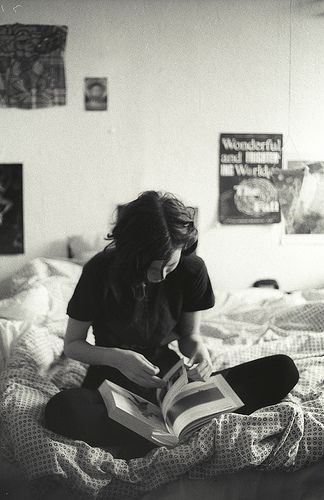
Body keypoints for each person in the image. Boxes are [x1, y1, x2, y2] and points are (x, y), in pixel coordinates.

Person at [44, 190, 299, 458]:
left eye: (170, 265)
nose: (160, 276)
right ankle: (178, 431)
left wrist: (200, 356)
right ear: (130, 253)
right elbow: (73, 345)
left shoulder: (192, 269)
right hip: (112, 378)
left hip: (170, 379)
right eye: (150, 267)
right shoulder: (99, 270)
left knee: (283, 369)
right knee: (62, 410)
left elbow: (190, 336)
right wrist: (119, 359)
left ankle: (152, 434)